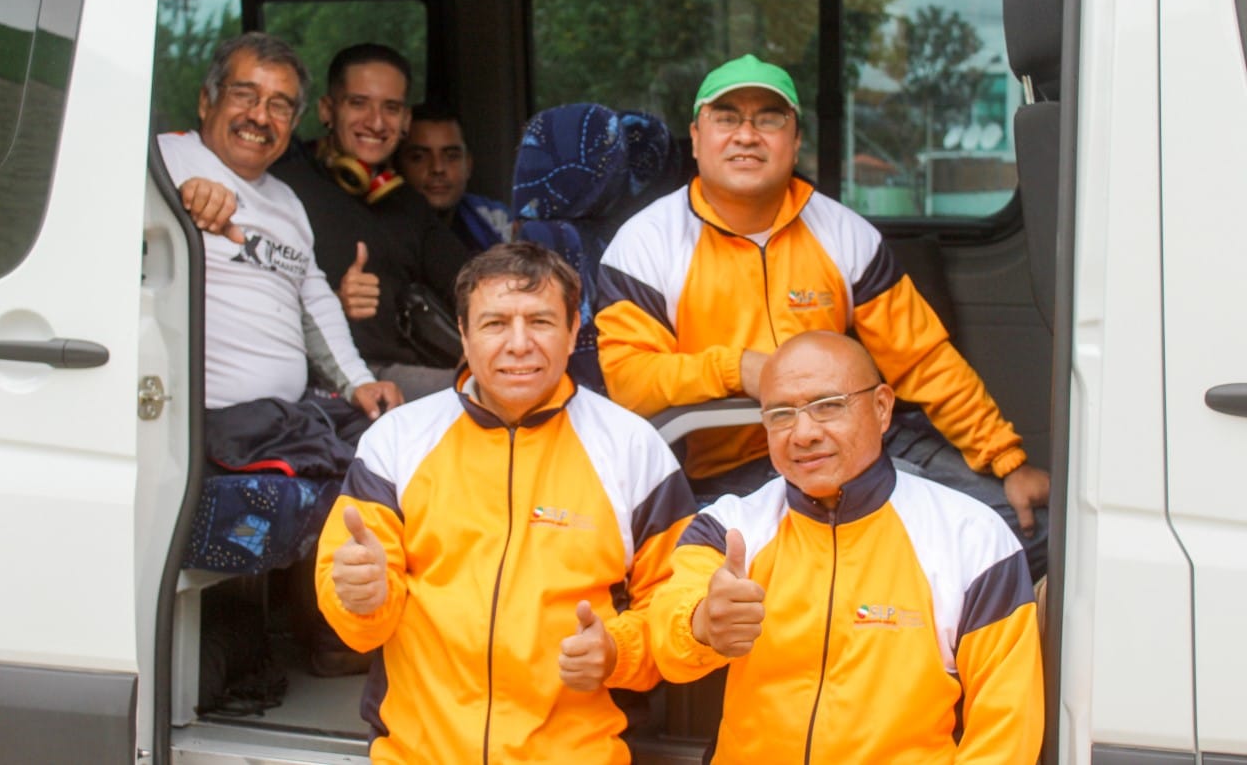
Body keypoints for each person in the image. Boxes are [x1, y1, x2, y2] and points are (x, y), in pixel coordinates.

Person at [595, 53, 1050, 578]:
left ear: (795, 141)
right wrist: (737, 370)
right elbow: (631, 380)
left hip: (856, 443)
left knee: (1030, 529)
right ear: (696, 138)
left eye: (769, 118)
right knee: (899, 537)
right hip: (725, 469)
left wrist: (1006, 459)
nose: (747, 135)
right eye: (727, 118)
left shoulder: (842, 232)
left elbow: (922, 358)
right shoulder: (646, 245)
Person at [314, 241, 696, 763]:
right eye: (495, 324)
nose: (519, 345)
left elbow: (681, 608)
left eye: (540, 322)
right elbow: (358, 621)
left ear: (571, 334)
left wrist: (616, 652)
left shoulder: (632, 448)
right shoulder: (398, 441)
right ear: (464, 336)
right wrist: (360, 598)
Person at [649, 331, 1044, 762]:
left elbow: (1005, 730)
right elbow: (669, 638)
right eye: (781, 414)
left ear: (881, 407)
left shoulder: (972, 538)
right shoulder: (731, 526)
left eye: (827, 406)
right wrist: (704, 623)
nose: (802, 433)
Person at [158, 31, 402, 420]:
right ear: (207, 101)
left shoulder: (287, 202)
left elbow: (316, 303)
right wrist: (174, 197)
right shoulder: (165, 161)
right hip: (201, 423)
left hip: (285, 418)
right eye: (244, 95)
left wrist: (358, 382)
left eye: (279, 106)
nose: (259, 116)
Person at [272, 45, 471, 400]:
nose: (377, 122)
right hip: (328, 382)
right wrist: (335, 302)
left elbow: (468, 281)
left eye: (390, 108)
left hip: (401, 373)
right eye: (359, 103)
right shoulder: (283, 189)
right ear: (327, 110)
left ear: (406, 121)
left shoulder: (407, 202)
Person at [396, 101, 514, 253]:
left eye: (451, 156)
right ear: (397, 166)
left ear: (468, 165)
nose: (437, 168)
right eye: (419, 157)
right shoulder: (383, 230)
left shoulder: (493, 220)